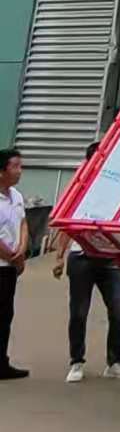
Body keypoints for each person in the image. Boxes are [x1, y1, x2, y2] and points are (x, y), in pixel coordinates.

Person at [52, 142, 120, 383]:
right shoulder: (79, 188)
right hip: (81, 257)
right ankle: (76, 362)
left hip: (109, 258)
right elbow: (68, 223)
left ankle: (114, 363)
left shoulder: (119, 187)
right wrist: (59, 257)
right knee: (79, 312)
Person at [0, 146, 29, 380]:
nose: (20, 171)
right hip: (2, 263)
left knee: (5, 315)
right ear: (2, 171)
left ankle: (2, 362)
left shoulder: (17, 196)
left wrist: (22, 251)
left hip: (10, 268)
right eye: (15, 166)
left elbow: (23, 224)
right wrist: (11, 255)